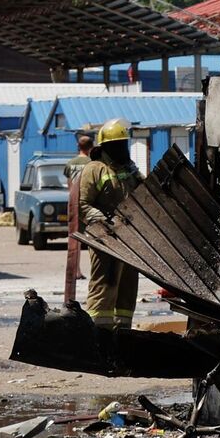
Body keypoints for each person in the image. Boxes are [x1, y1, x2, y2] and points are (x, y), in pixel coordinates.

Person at [78, 119, 141, 330]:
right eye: (117, 144)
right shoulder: (94, 169)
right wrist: (105, 222)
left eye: (124, 143)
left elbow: (145, 194)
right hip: (104, 238)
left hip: (130, 238)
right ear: (105, 146)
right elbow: (82, 204)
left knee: (128, 287)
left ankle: (123, 334)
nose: (121, 149)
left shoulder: (128, 169)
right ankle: (97, 333)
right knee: (105, 285)